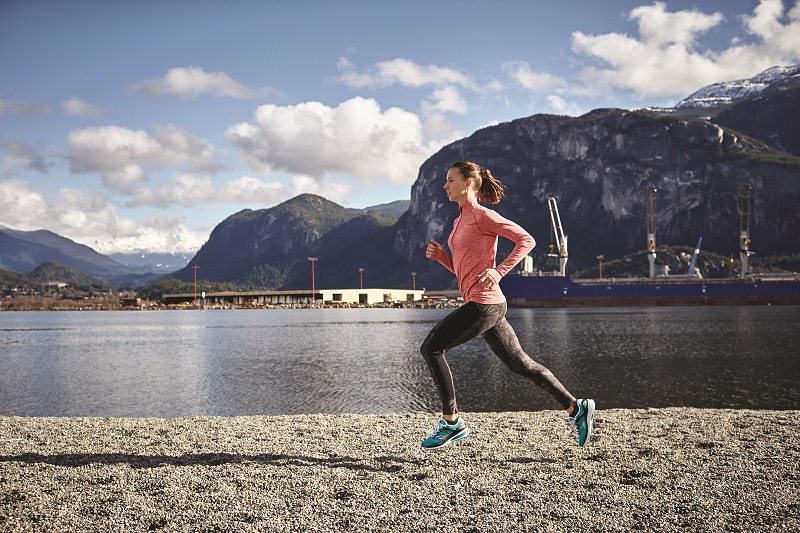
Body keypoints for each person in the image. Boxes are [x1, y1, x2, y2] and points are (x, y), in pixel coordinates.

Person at [420, 161, 595, 450]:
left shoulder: (482, 215)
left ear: (468, 184)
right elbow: (466, 271)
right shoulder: (459, 221)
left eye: (450, 180)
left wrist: (499, 271)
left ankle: (451, 423)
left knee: (432, 348)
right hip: (488, 304)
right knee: (521, 364)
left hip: (484, 305)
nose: (445, 185)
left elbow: (527, 240)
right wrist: (443, 258)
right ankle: (577, 408)